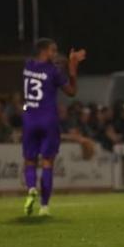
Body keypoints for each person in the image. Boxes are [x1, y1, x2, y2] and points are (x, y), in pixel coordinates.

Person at [22, 38, 86, 216]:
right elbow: (72, 92)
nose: (55, 54)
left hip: (29, 118)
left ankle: (31, 188)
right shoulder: (53, 72)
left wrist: (65, 62)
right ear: (44, 51)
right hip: (48, 118)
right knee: (47, 162)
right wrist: (73, 67)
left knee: (29, 160)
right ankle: (44, 206)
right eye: (53, 50)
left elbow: (47, 65)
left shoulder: (27, 66)